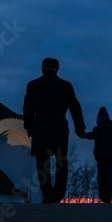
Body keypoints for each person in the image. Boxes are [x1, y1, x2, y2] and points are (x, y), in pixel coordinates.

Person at [23, 58, 86, 203]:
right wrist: (80, 128)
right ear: (57, 69)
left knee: (42, 160)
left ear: (42, 69)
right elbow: (75, 107)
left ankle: (48, 194)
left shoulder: (33, 85)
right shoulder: (65, 86)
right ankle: (58, 194)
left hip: (40, 125)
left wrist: (29, 126)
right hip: (59, 126)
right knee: (61, 160)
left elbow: (28, 108)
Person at [80, 107, 112, 203]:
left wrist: (84, 135)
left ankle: (103, 195)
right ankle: (107, 194)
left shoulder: (99, 128)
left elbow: (93, 135)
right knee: (110, 175)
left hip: (101, 156)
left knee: (102, 175)